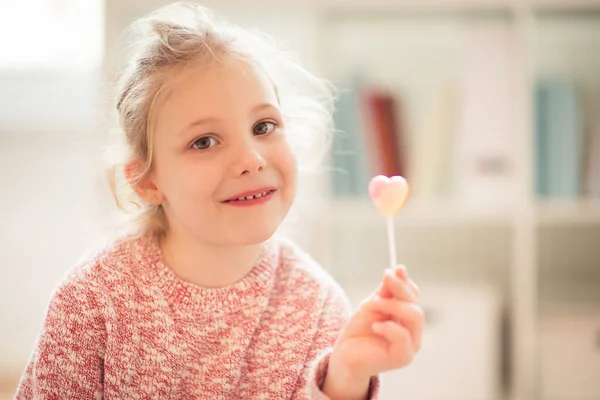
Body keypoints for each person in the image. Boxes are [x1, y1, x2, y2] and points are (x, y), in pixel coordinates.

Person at [15, 2, 423, 399]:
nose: (251, 159)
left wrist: (346, 376)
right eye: (204, 141)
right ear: (146, 181)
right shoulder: (92, 300)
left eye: (264, 126)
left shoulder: (318, 305)